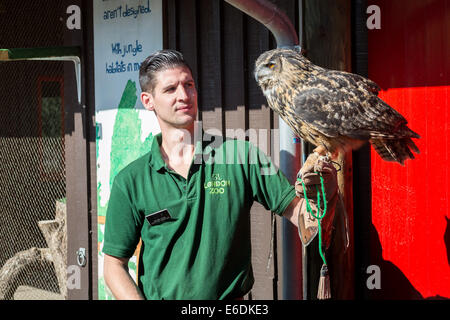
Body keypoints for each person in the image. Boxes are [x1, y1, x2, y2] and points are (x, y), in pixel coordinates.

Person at [102, 49, 338, 300]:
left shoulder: (241, 156)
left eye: (189, 85)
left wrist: (327, 192)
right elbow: (113, 265)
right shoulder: (131, 180)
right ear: (148, 100)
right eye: (170, 89)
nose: (184, 95)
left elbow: (306, 219)